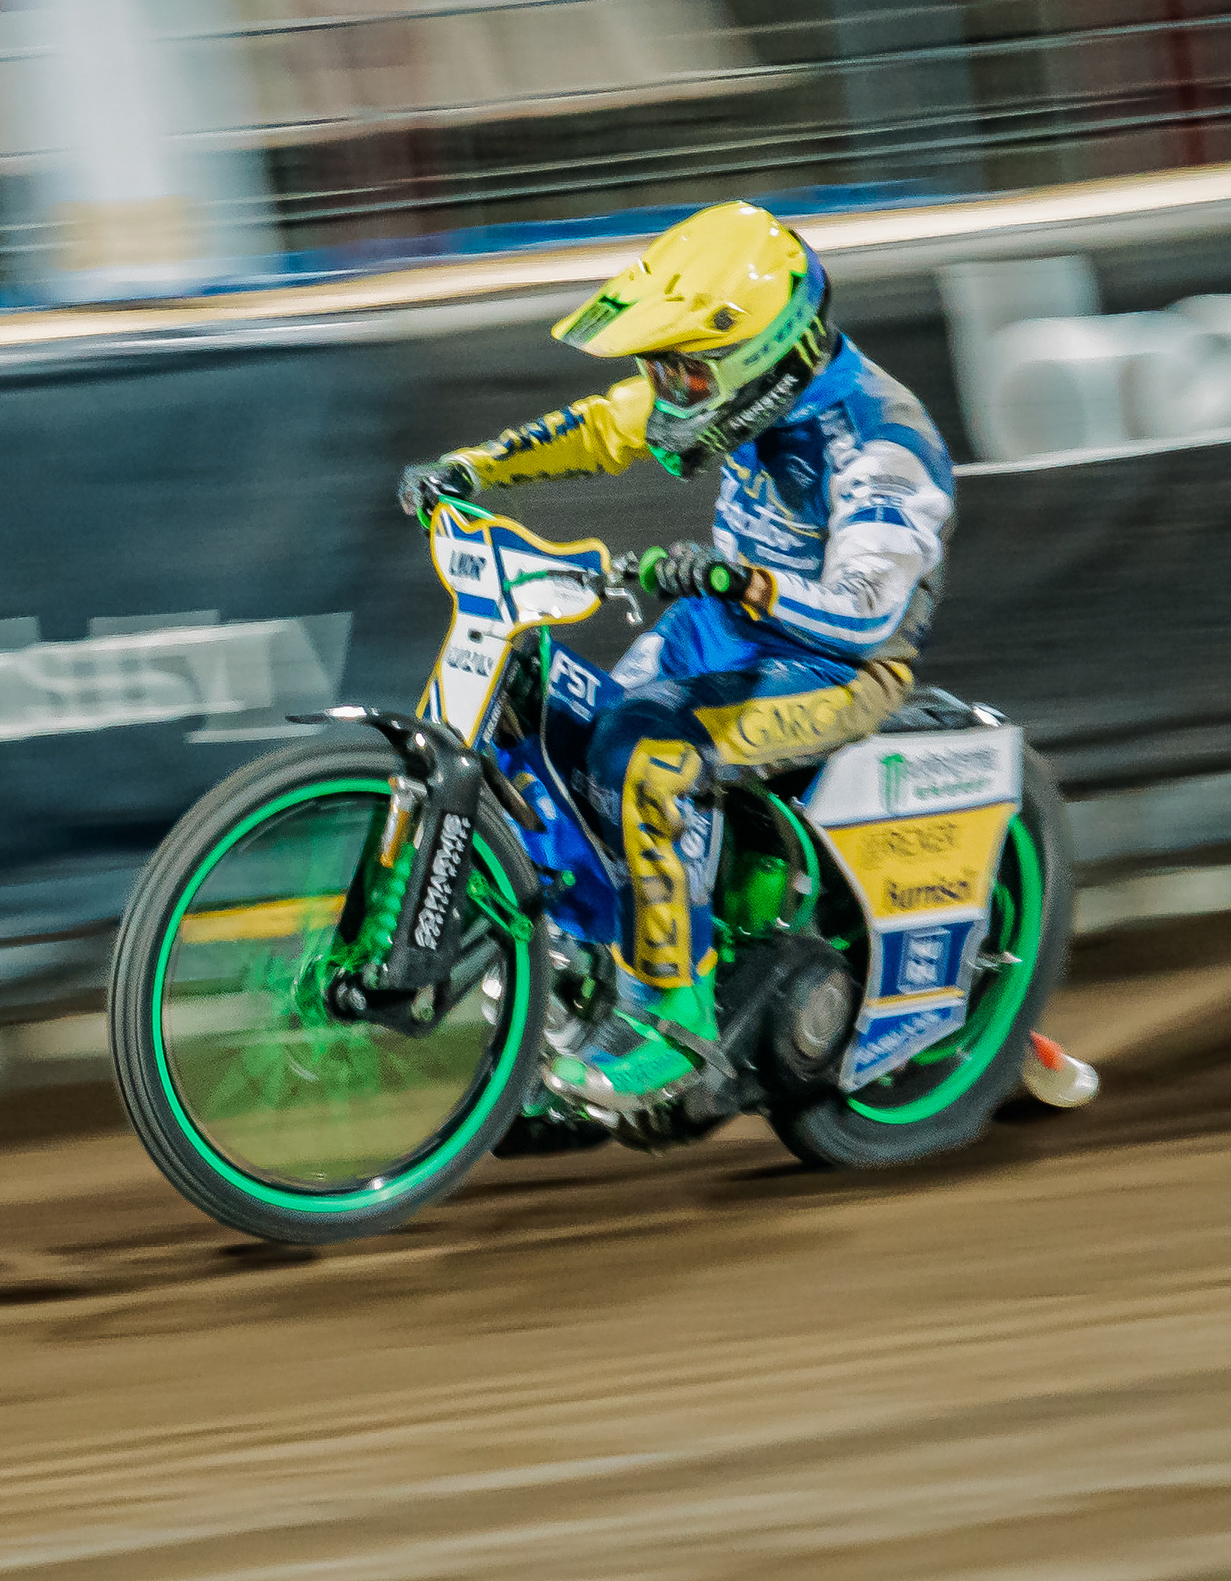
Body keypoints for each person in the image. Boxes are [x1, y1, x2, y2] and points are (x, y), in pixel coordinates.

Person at [396, 200, 955, 1119]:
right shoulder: (732, 397)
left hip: (837, 668)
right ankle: (573, 990)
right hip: (722, 627)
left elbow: (866, 613)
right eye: (661, 369)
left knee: (641, 761)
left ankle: (674, 1019)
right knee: (560, 725)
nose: (667, 391)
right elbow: (605, 424)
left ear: (759, 358)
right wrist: (473, 467)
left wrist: (744, 581)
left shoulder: (881, 442)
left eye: (685, 371)